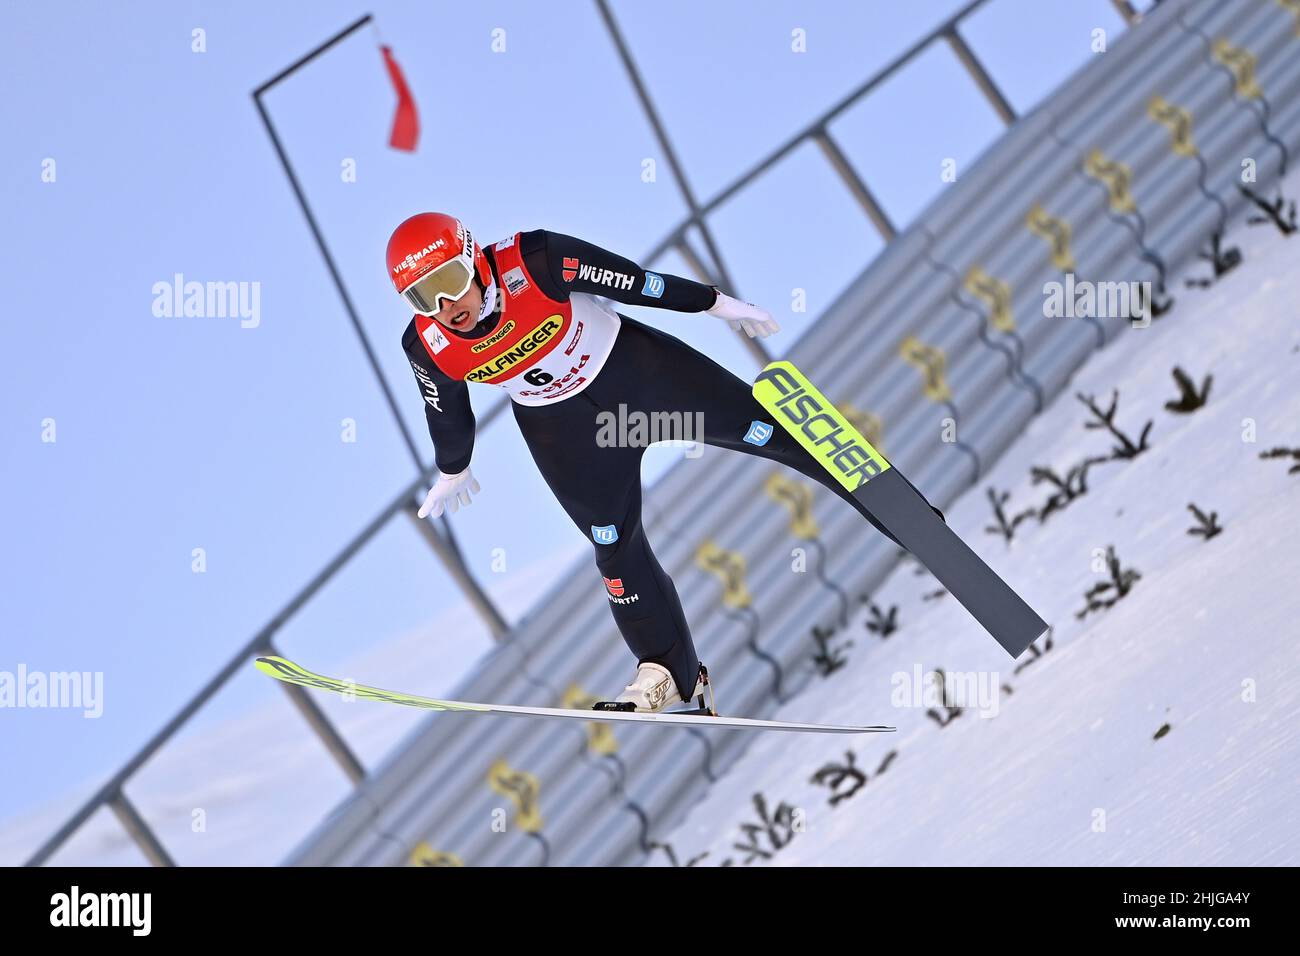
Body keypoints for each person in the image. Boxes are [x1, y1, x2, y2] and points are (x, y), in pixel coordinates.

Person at [389, 212, 929, 713]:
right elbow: (448, 412)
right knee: (612, 546)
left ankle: (904, 513)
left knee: (775, 433)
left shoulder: (534, 261)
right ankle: (669, 670)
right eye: (423, 296)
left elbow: (635, 282)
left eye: (451, 281)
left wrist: (713, 303)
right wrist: (453, 467)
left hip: (641, 379)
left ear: (475, 258)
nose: (445, 305)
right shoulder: (428, 343)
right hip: (568, 433)